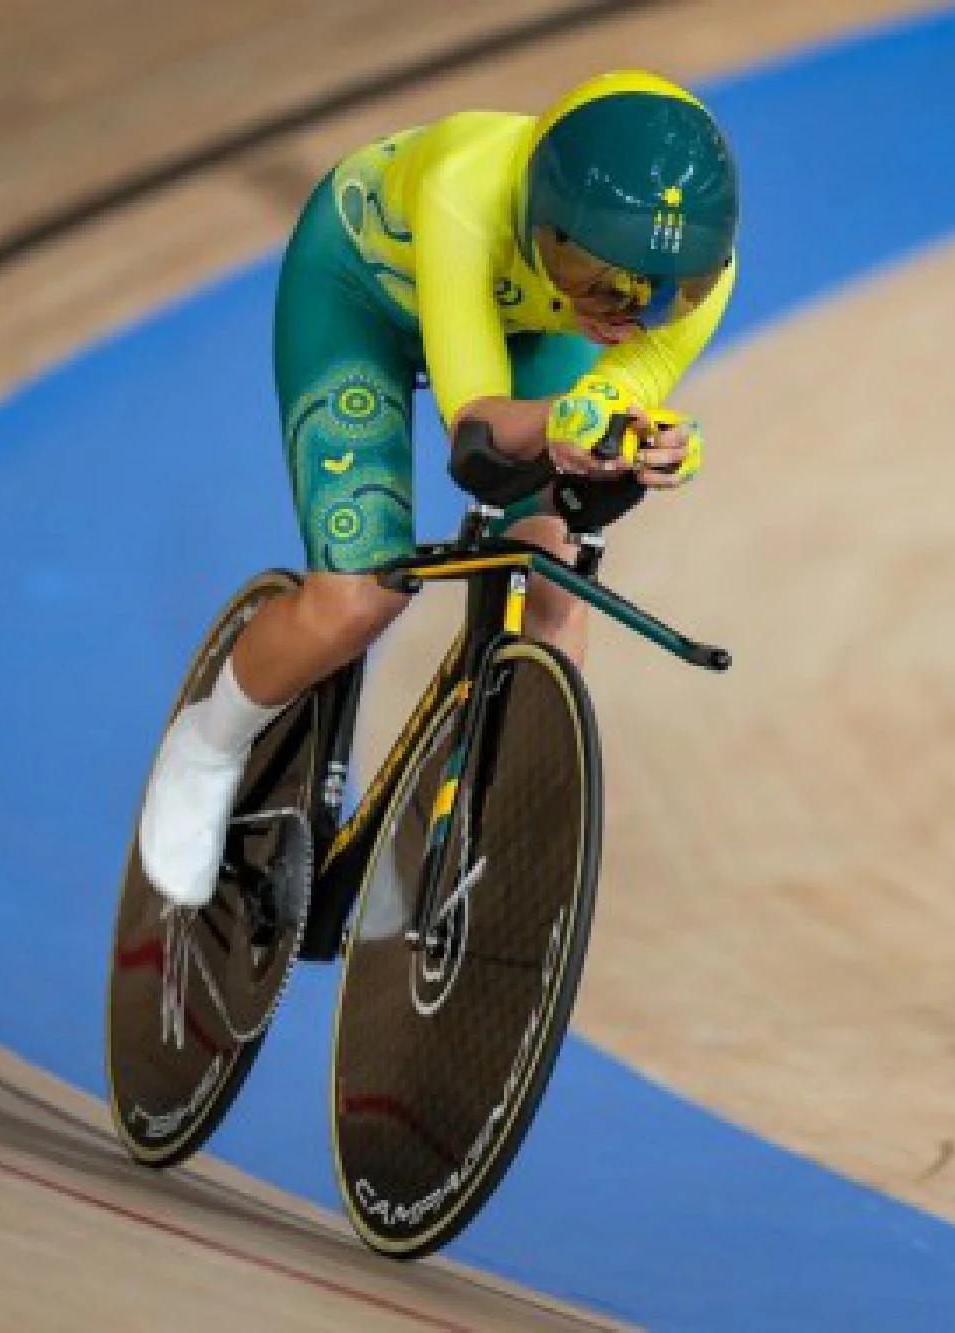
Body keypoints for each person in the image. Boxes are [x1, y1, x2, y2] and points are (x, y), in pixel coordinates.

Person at [137, 69, 739, 908]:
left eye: (672, 291)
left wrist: (639, 439)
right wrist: (572, 419)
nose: (630, 312)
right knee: (359, 599)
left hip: (529, 331)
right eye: (594, 272)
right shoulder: (467, 186)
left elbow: (614, 394)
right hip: (362, 299)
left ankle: (494, 819)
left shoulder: (685, 290)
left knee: (552, 582)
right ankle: (208, 743)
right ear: (538, 219)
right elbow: (482, 430)